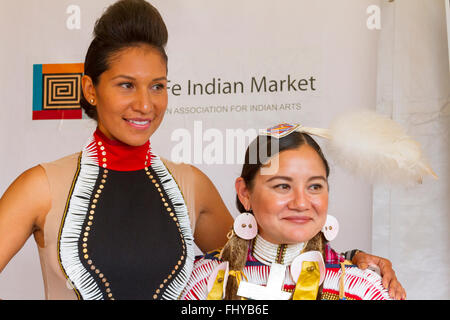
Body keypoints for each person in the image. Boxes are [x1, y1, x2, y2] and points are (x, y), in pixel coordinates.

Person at [0, 0, 403, 300]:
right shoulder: (41, 186)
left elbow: (259, 256)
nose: (145, 103)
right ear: (90, 89)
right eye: (126, 85)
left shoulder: (189, 184)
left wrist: (351, 260)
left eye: (157, 85)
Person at [181, 130, 406, 300]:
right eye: (282, 186)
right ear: (245, 193)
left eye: (315, 186)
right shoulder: (200, 282)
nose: (300, 203)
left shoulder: (363, 289)